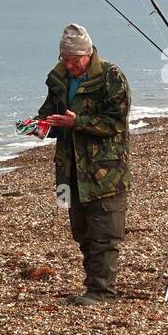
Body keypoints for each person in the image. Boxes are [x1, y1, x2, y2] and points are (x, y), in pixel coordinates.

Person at [37, 23, 132, 306]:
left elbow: (116, 123)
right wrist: (39, 126)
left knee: (105, 233)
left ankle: (102, 292)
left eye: (74, 60)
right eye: (64, 59)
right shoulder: (57, 78)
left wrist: (78, 122)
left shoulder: (111, 77)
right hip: (70, 170)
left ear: (88, 54)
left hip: (105, 170)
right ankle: (92, 287)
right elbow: (50, 116)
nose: (69, 65)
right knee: (82, 232)